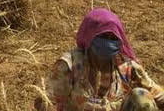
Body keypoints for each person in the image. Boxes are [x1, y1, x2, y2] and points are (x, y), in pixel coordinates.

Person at [35, 8, 163, 111]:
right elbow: (46, 102)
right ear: (89, 36)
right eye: (103, 36)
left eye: (112, 38)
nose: (108, 42)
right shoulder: (70, 65)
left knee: (141, 96)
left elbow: (157, 94)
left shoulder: (127, 67)